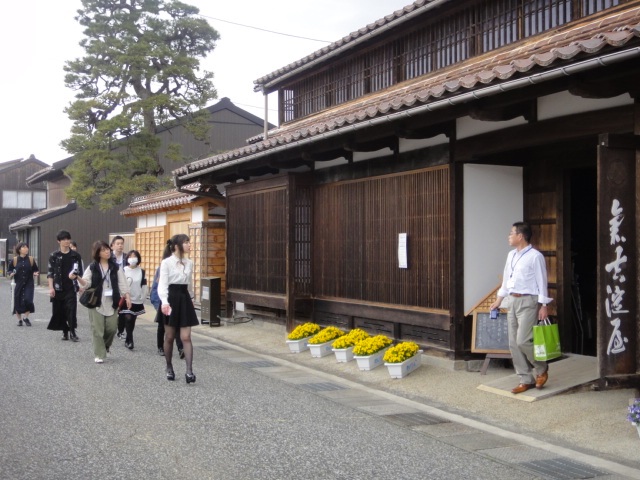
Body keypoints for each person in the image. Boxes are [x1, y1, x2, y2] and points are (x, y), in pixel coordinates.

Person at [489, 222, 553, 394]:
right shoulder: (511, 255)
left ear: (521, 236)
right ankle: (525, 379)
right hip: (512, 300)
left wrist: (544, 305)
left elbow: (542, 281)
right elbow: (507, 280)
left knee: (523, 340)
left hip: (528, 301)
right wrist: (499, 300)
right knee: (513, 344)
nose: (508, 236)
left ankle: (541, 369)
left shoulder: (535, 256)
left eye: (511, 233)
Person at [77, 240, 130, 363]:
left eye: (107, 249)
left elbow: (123, 283)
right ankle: (99, 354)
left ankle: (105, 346)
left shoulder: (115, 267)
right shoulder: (93, 267)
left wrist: (127, 296)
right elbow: (86, 283)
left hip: (112, 301)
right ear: (98, 253)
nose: (107, 252)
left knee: (112, 328)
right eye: (103, 250)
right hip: (96, 302)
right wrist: (78, 278)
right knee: (97, 329)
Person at [158, 234, 199, 383]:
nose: (189, 245)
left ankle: (189, 371)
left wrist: (192, 298)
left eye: (189, 242)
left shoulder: (189, 263)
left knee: (186, 337)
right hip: (170, 298)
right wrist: (164, 302)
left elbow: (189, 283)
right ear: (176, 246)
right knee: (169, 336)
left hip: (184, 298)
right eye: (186, 242)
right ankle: (169, 367)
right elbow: (162, 284)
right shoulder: (166, 263)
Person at [47, 230, 83, 341]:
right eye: (64, 239)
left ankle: (72, 332)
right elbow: (50, 273)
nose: (66, 241)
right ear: (59, 241)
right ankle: (65, 331)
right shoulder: (54, 256)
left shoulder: (75, 256)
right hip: (58, 288)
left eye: (68, 239)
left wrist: (78, 281)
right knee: (60, 310)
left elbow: (79, 272)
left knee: (71, 310)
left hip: (71, 287)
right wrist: (51, 287)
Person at [150, 253, 184, 357]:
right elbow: (156, 287)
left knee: (177, 325)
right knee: (162, 325)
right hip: (163, 300)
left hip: (176, 301)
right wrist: (157, 303)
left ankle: (180, 347)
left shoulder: (181, 267)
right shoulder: (162, 268)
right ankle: (160, 347)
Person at [119, 250, 147, 350]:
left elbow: (144, 285)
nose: (132, 258)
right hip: (125, 298)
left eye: (134, 256)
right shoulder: (123, 270)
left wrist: (143, 297)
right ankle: (130, 340)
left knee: (133, 319)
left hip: (137, 298)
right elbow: (120, 284)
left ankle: (128, 338)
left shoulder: (141, 271)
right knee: (128, 317)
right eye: (130, 256)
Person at [8, 242, 39, 326]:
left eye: (27, 247)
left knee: (28, 300)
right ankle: (19, 320)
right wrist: (11, 274)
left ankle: (26, 317)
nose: (26, 249)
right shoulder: (14, 260)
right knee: (17, 301)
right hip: (18, 284)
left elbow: (35, 269)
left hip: (29, 283)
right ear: (19, 249)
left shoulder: (31, 259)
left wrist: (35, 273)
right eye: (24, 247)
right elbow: (9, 270)